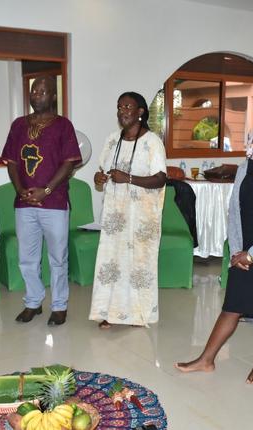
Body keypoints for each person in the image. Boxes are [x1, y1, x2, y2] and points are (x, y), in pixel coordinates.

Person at [175, 112, 253, 384]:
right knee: (231, 306)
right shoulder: (246, 167)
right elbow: (234, 211)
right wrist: (238, 251)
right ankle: (206, 359)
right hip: (243, 252)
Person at [0, 77, 81, 325]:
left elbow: (69, 163)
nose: (37, 95)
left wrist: (45, 190)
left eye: (43, 91)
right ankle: (33, 303)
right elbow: (11, 162)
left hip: (54, 202)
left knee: (58, 258)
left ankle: (59, 306)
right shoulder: (18, 125)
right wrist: (20, 189)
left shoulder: (63, 125)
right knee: (28, 258)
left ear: (53, 96)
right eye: (34, 91)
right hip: (24, 203)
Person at [89, 92, 167, 328]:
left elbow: (161, 179)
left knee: (138, 265)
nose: (122, 111)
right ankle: (109, 312)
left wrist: (129, 179)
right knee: (112, 263)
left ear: (141, 112)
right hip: (116, 215)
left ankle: (138, 313)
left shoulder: (152, 142)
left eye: (128, 107)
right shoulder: (112, 139)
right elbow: (101, 171)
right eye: (119, 106)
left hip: (142, 218)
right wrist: (99, 178)